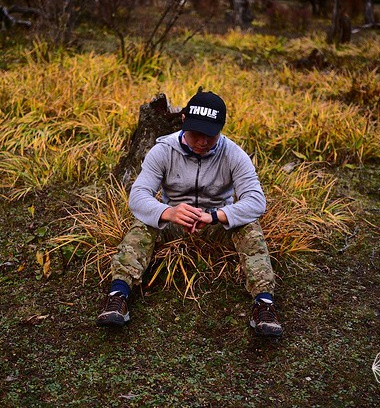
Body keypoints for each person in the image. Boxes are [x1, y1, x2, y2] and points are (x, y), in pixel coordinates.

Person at [96, 90, 282, 337]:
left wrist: (217, 216)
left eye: (211, 135)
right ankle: (118, 294)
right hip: (174, 223)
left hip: (215, 224)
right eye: (197, 134)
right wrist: (168, 212)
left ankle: (264, 304)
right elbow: (138, 196)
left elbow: (257, 201)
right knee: (143, 223)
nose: (203, 142)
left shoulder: (234, 154)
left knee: (250, 227)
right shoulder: (163, 151)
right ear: (184, 121)